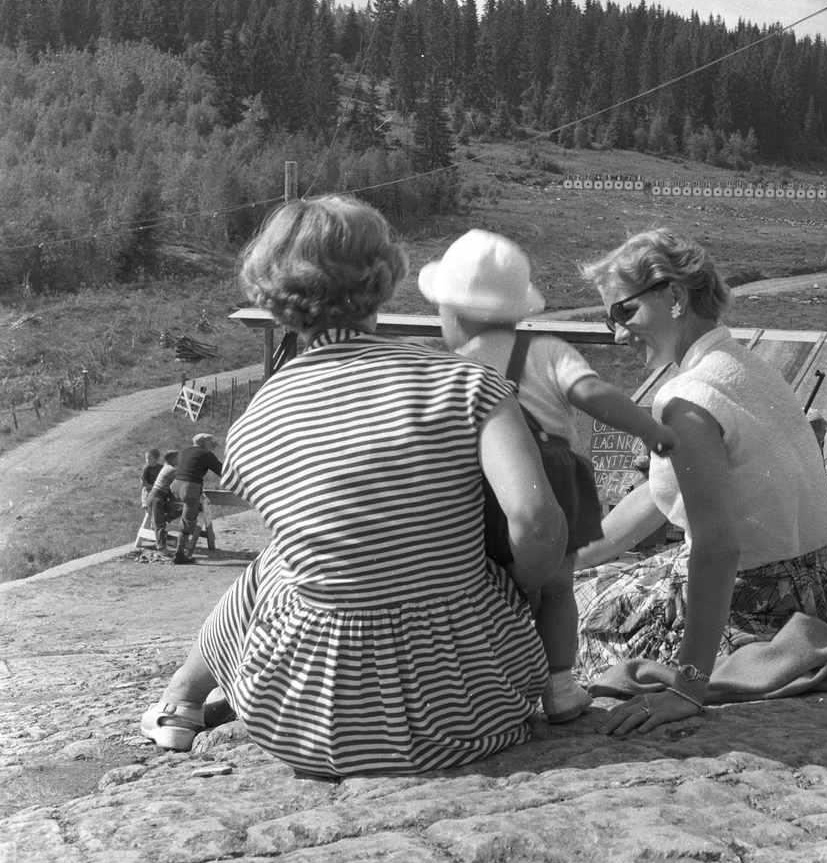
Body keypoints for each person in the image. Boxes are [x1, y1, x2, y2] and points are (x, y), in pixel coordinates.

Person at [139, 195, 566, 777]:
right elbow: (538, 524)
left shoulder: (254, 424)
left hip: (309, 729)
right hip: (475, 714)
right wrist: (519, 586)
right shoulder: (468, 383)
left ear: (272, 294)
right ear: (385, 276)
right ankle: (184, 698)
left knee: (278, 563)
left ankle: (183, 700)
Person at [573, 228, 827, 737]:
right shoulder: (741, 366)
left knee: (562, 620)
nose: (617, 334)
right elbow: (660, 497)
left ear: (673, 297)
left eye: (623, 312)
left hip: (752, 606)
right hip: (813, 594)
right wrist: (572, 558)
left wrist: (687, 685)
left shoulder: (687, 398)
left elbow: (717, 545)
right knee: (576, 582)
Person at [420, 229, 677, 725]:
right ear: (518, 307)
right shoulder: (547, 351)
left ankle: (486, 686)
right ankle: (560, 687)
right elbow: (593, 394)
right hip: (549, 486)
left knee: (487, 587)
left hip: (480, 487)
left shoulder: (452, 368)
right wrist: (651, 429)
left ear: (451, 313)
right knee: (556, 588)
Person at [171, 433, 223, 563]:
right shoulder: (206, 454)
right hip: (189, 488)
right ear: (204, 443)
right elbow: (221, 471)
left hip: (175, 486)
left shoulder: (185, 450)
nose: (212, 445)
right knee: (188, 520)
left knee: (188, 513)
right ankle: (179, 554)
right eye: (210, 443)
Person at [147, 450, 183, 552]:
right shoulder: (171, 470)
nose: (179, 460)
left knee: (181, 508)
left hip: (160, 498)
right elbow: (180, 483)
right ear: (173, 459)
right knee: (160, 525)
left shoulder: (167, 467)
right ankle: (161, 548)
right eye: (177, 457)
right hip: (156, 498)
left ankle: (166, 518)